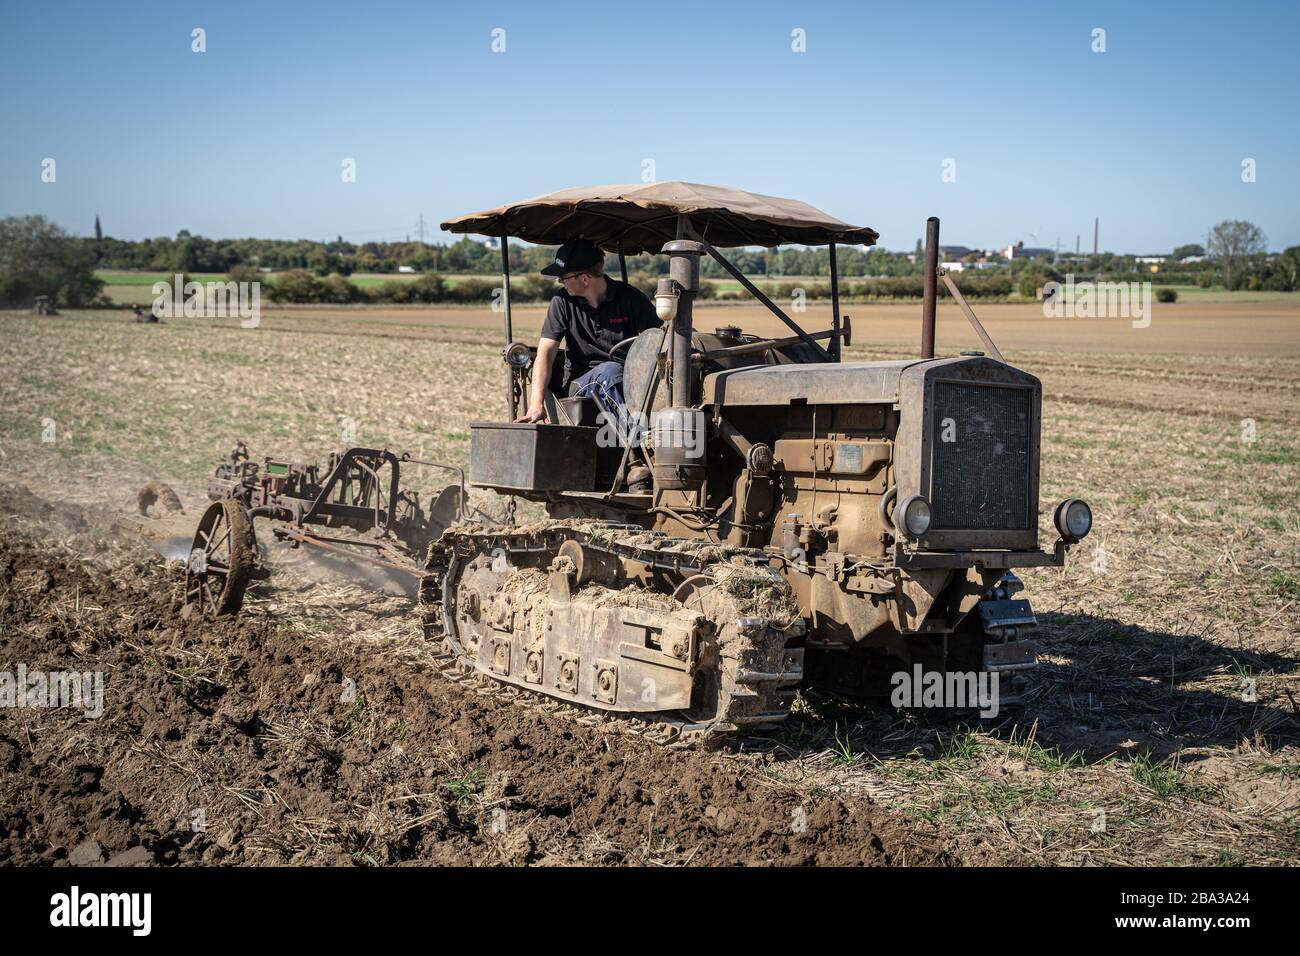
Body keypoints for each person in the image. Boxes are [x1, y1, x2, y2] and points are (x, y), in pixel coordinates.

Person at [516, 238, 660, 425]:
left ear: (584, 279)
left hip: (628, 379)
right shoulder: (562, 302)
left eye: (563, 278)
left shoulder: (631, 298)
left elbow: (658, 339)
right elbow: (546, 353)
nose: (560, 283)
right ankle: (637, 441)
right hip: (580, 382)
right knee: (609, 371)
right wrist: (536, 404)